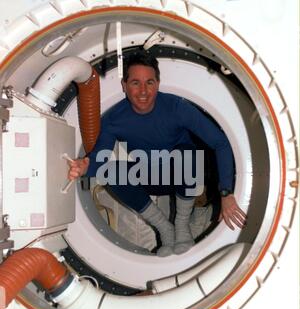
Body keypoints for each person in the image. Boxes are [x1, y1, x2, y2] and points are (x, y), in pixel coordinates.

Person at [68, 51, 246, 257]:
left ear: (158, 84)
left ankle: (181, 224)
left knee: (186, 152)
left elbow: (220, 142)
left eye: (149, 82)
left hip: (184, 177)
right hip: (150, 176)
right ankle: (164, 228)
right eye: (135, 83)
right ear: (124, 86)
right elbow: (101, 157)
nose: (143, 91)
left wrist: (226, 193)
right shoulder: (115, 119)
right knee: (110, 171)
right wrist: (84, 165)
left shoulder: (178, 107)